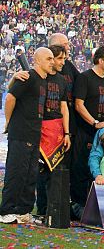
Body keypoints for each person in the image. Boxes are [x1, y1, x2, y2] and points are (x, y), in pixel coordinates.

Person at [0, 47, 55, 224]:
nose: (52, 62)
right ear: (37, 60)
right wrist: (9, 121)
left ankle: (24, 211)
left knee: (30, 175)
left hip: (34, 133)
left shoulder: (43, 81)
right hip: (21, 132)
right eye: (48, 59)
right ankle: (7, 211)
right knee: (16, 173)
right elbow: (10, 98)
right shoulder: (28, 77)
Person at [73, 45, 104, 208]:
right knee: (81, 168)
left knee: (101, 168)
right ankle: (78, 205)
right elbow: (79, 105)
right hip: (86, 132)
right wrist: (94, 123)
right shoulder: (85, 78)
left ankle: (97, 206)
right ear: (100, 60)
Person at [34, 43, 71, 218]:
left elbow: (64, 108)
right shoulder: (40, 77)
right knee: (40, 171)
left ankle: (52, 209)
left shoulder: (63, 81)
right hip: (39, 128)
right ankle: (41, 209)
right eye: (59, 58)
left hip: (56, 130)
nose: (63, 62)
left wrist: (67, 133)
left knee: (53, 172)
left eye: (64, 58)